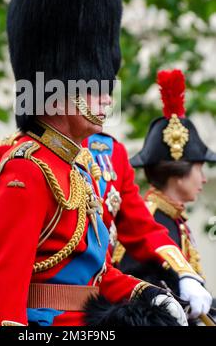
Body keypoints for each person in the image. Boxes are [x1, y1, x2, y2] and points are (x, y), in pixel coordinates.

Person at [0, 0, 186, 327]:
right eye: (94, 85)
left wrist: (152, 294)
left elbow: (98, 276)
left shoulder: (76, 168)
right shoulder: (24, 172)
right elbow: (1, 307)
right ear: (58, 87)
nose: (108, 97)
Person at [84, 69, 214, 320]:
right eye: (199, 168)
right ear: (179, 170)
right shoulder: (155, 217)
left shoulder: (173, 221)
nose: (204, 178)